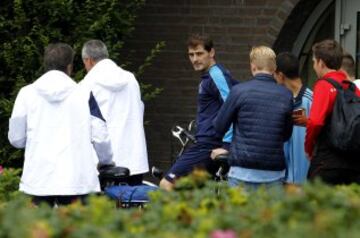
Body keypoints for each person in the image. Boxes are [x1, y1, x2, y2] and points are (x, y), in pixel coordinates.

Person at [8, 43, 114, 206]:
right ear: (69, 66)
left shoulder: (26, 93)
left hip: (38, 180)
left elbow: (16, 139)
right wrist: (106, 161)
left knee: (39, 230)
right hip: (77, 179)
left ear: (45, 64)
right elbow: (100, 135)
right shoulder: (84, 93)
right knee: (74, 229)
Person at [160, 34, 238, 191]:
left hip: (209, 145)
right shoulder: (209, 76)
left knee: (167, 184)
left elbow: (232, 107)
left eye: (199, 53)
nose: (195, 59)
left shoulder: (216, 74)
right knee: (193, 192)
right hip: (206, 142)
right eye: (191, 54)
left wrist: (227, 145)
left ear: (212, 53)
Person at [214, 46, 293, 190]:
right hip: (273, 172)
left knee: (240, 213)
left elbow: (219, 127)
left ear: (253, 66)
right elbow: (286, 134)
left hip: (241, 171)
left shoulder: (238, 91)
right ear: (274, 68)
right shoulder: (286, 95)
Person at [80, 40, 149, 185]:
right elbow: (139, 110)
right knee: (132, 205)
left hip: (104, 166)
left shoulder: (86, 85)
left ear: (89, 60)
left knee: (103, 208)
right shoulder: (130, 79)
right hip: (135, 160)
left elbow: (88, 125)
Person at [305, 39, 360, 184]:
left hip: (328, 162)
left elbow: (315, 122)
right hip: (353, 164)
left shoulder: (323, 85)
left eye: (314, 61)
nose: (314, 66)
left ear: (321, 63)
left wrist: (309, 148)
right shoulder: (352, 88)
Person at [274, 52, 312, 184]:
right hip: (283, 178)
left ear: (280, 75)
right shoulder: (281, 99)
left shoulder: (311, 100)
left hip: (305, 182)